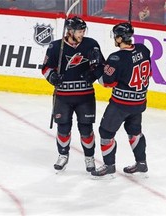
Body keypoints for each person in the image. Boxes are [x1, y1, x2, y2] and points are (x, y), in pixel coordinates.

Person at [41, 16, 105, 172]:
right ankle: (63, 155)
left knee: (86, 128)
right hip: (63, 96)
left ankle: (89, 158)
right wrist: (52, 77)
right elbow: (45, 68)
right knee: (63, 127)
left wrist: (94, 74)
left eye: (83, 31)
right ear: (69, 31)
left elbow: (101, 66)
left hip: (85, 95)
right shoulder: (55, 46)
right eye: (79, 31)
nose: (82, 34)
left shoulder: (91, 44)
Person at [90, 22, 151, 178]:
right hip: (139, 103)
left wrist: (97, 67)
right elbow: (147, 73)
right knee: (134, 132)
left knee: (105, 132)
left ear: (119, 38)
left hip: (121, 105)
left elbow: (106, 83)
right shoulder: (144, 50)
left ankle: (109, 166)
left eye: (115, 36)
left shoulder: (116, 57)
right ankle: (141, 163)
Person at [98, 0, 164, 24]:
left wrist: (151, 12)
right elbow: (133, 4)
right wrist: (138, 12)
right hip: (117, 15)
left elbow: (164, 8)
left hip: (155, 21)